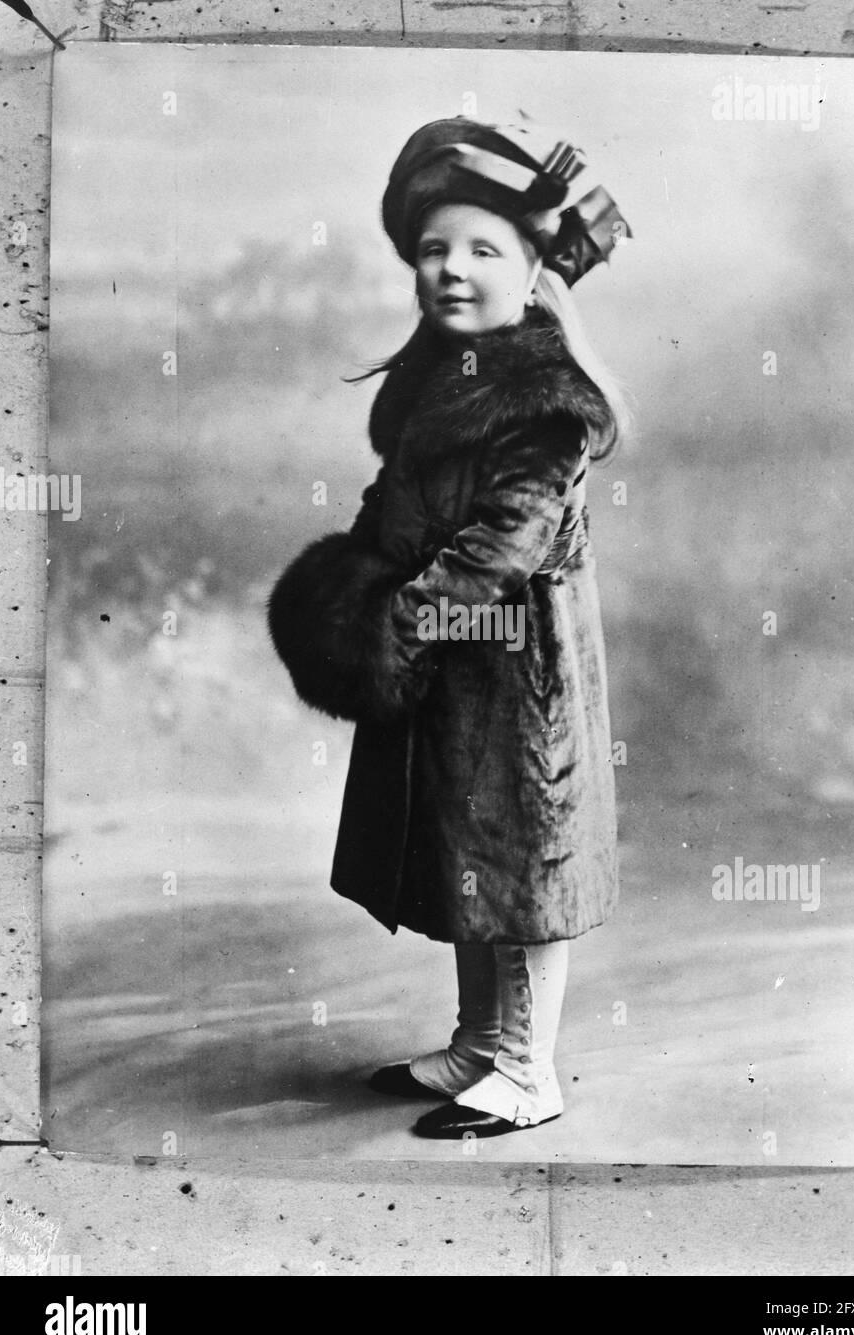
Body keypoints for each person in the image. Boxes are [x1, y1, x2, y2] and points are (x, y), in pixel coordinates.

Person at [268, 115, 630, 1139]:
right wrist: (353, 575)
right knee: (461, 850)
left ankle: (526, 1067)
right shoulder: (437, 377)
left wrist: (397, 623)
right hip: (447, 666)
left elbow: (500, 550)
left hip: (516, 676)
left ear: (531, 272)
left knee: (520, 863)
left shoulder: (546, 405)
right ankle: (479, 1039)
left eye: (482, 250)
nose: (451, 270)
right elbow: (393, 500)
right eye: (433, 250)